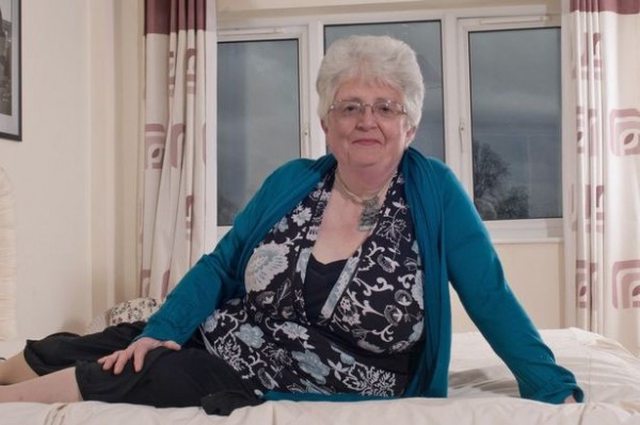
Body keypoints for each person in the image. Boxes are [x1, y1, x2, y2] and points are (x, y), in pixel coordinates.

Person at [0, 35, 582, 414]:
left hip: (313, 377)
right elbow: (222, 265)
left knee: (142, 373)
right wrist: (162, 327)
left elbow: (491, 297)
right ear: (327, 123)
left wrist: (553, 389)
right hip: (223, 334)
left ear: (410, 126)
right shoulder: (294, 180)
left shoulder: (436, 194)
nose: (367, 120)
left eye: (386, 107)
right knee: (85, 346)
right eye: (349, 106)